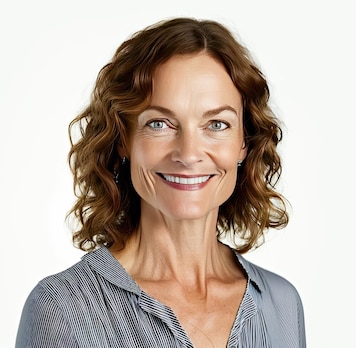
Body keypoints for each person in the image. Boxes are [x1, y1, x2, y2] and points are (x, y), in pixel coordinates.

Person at [16, 17, 305, 348]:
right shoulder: (62, 309)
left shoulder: (282, 305)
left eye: (217, 124)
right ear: (123, 138)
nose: (189, 153)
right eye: (159, 123)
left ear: (244, 142)